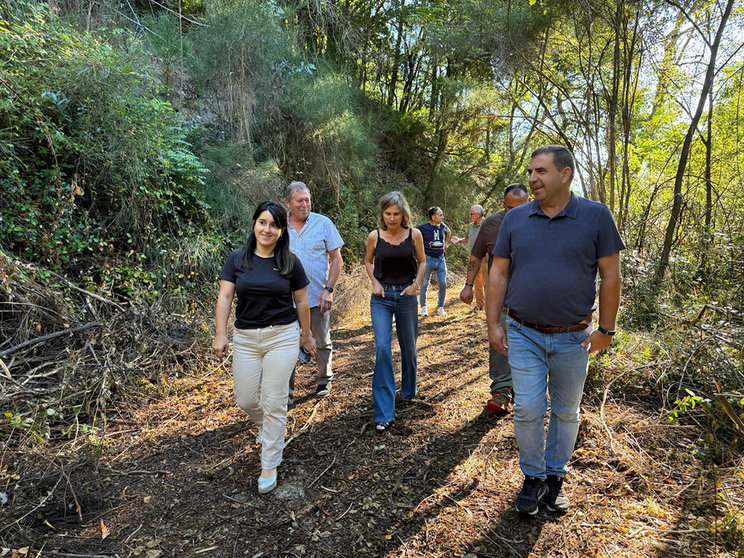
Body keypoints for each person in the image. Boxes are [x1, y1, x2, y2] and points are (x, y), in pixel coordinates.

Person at [487, 145, 624, 516]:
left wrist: (606, 331)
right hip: (523, 331)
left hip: (574, 336)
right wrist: (492, 324)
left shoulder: (596, 217)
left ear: (565, 174)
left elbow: (611, 277)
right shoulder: (515, 220)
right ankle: (533, 477)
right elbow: (497, 273)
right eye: (531, 171)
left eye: (541, 172)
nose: (532, 179)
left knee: (566, 412)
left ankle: (555, 476)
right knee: (528, 408)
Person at [213, 201, 317, 495]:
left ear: (282, 230)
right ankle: (269, 427)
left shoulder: (290, 263)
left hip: (281, 336)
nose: (267, 229)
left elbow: (300, 302)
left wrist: (305, 336)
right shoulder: (237, 259)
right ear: (254, 224)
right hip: (245, 338)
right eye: (262, 222)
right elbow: (224, 298)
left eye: (273, 224)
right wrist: (220, 334)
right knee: (245, 398)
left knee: (274, 400)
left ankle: (269, 463)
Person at [459, 185, 529, 413]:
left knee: (527, 344)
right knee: (498, 340)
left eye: (521, 207)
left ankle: (523, 391)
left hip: (531, 298)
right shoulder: (490, 224)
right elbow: (476, 255)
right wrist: (468, 285)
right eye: (510, 208)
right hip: (499, 296)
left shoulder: (540, 221)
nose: (515, 213)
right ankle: (500, 392)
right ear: (503, 204)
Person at [364, 191, 426, 433]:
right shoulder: (374, 236)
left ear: (404, 214)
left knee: (409, 346)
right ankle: (384, 412)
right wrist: (374, 282)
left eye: (396, 214)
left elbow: (422, 261)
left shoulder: (415, 235)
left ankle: (409, 390)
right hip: (380, 297)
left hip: (406, 296)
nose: (391, 218)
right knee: (382, 347)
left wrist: (416, 284)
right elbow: (368, 261)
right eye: (388, 213)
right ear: (382, 214)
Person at [284, 182, 344, 400]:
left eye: (307, 199)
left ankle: (324, 379)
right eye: (299, 200)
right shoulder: (278, 227)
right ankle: (287, 393)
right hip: (285, 300)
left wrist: (329, 290)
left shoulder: (323, 223)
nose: (305, 204)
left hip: (316, 298)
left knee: (321, 341)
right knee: (286, 346)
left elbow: (336, 258)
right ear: (288, 203)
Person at [417, 207, 450, 316]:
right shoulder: (423, 228)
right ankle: (423, 307)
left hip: (440, 259)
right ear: (433, 217)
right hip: (427, 259)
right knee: (424, 284)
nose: (442, 217)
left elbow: (448, 232)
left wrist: (445, 243)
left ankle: (440, 307)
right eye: (440, 215)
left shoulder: (443, 226)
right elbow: (413, 234)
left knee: (443, 284)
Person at [451, 205, 486, 309]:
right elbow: (467, 240)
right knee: (476, 283)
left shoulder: (487, 224)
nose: (469, 215)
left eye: (471, 214)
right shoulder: (471, 226)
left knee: (487, 285)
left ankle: (491, 309)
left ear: (478, 215)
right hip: (474, 259)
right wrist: (459, 240)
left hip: (486, 259)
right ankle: (480, 306)